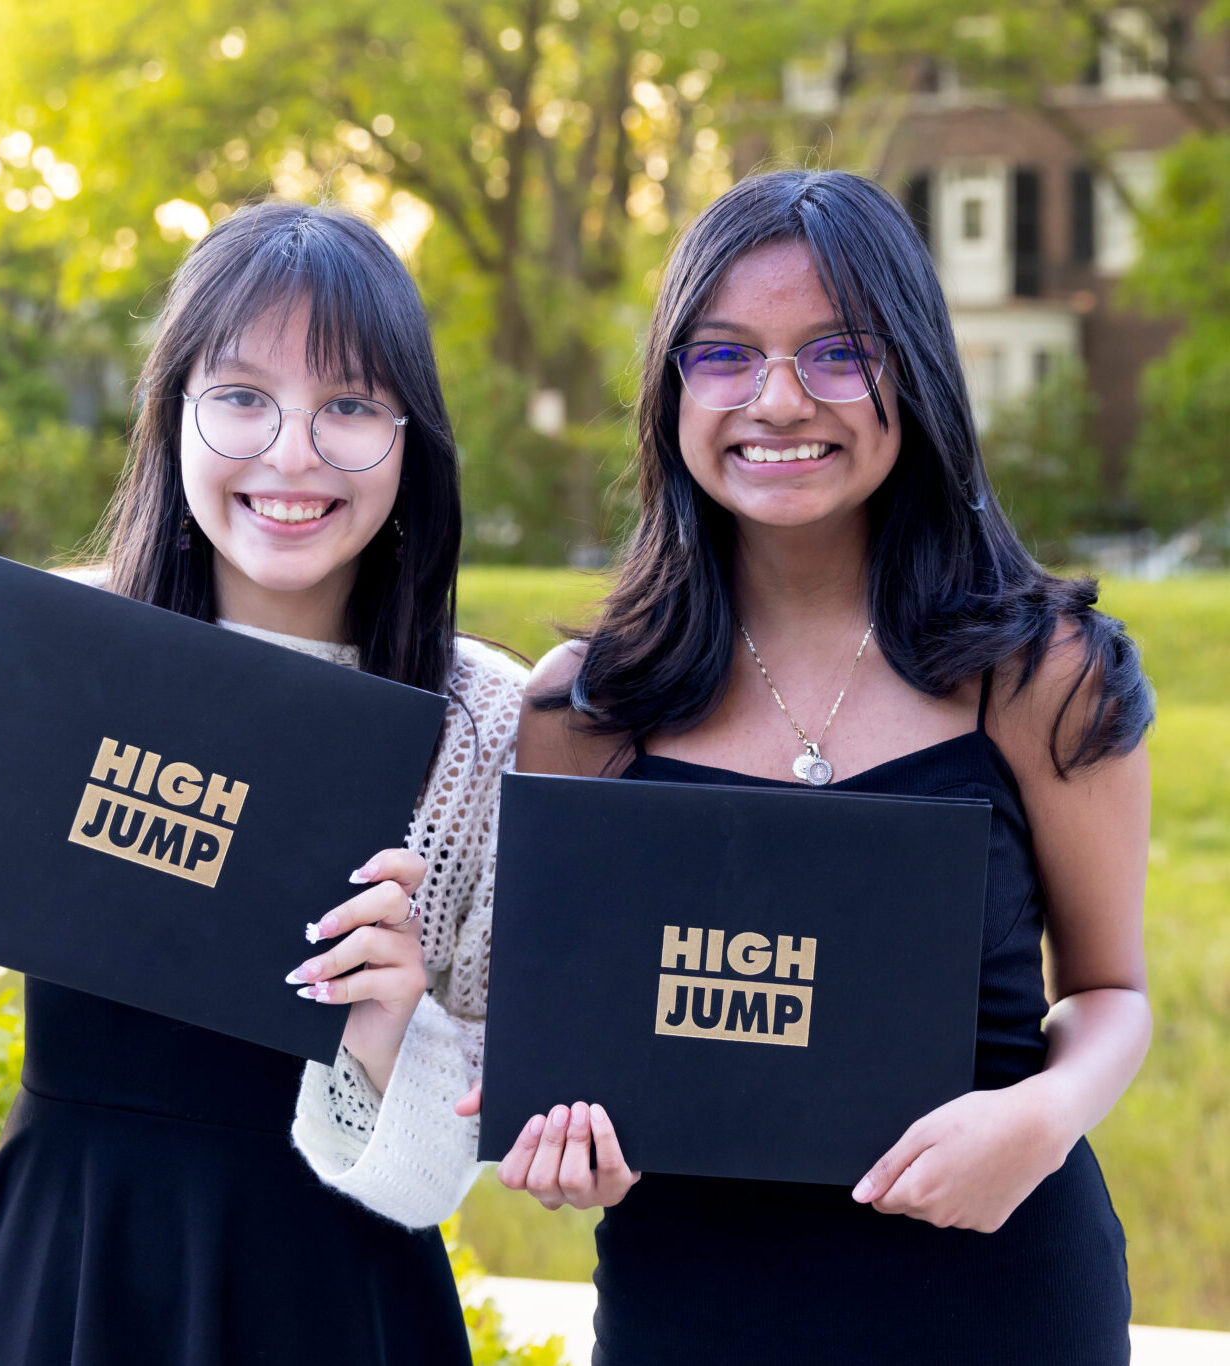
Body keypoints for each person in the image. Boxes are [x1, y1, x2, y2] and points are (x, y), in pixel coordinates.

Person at [485, 170, 1152, 1364]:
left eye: (839, 353)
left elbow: (1110, 993)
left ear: (918, 376)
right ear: (671, 389)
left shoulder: (1041, 675)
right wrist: (563, 1146)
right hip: (690, 1308)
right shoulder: (585, 706)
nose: (778, 400)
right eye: (724, 355)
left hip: (997, 1298)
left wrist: (1042, 1118)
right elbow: (559, 1044)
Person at [0, 200, 525, 1365]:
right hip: (71, 1267)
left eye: (351, 406)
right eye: (242, 397)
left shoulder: (479, 722)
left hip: (338, 1290)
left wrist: (389, 1030)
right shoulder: (43, 651)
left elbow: (444, 1168)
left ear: (412, 439)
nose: (292, 453)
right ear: (173, 415)